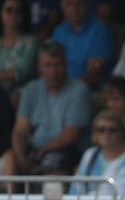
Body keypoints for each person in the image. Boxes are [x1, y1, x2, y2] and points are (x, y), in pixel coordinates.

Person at [12, 42, 91, 173]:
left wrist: (41, 153)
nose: (53, 72)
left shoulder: (79, 90)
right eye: (48, 65)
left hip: (65, 151)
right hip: (33, 150)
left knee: (53, 164)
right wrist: (20, 158)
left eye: (58, 65)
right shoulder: (31, 89)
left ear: (66, 65)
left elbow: (71, 135)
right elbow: (20, 130)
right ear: (39, 67)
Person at [51, 0, 114, 88]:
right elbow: (51, 63)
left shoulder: (99, 31)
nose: (74, 9)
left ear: (87, 5)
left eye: (79, 3)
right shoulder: (59, 31)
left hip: (85, 88)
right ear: (62, 6)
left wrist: (70, 90)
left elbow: (95, 70)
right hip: (59, 87)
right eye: (69, 4)